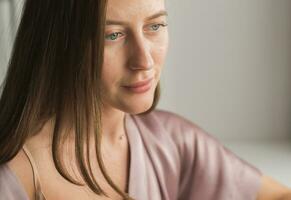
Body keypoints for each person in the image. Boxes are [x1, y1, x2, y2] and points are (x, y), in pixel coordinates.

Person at [0, 0, 290, 199]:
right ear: (58, 43)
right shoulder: (12, 176)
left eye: (155, 26)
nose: (144, 60)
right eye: (113, 35)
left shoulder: (170, 142)